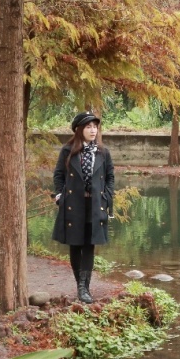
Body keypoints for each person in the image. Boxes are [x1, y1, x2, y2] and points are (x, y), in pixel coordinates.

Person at [52, 111, 115, 304]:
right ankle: (81, 287)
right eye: (88, 127)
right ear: (80, 130)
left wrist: (107, 197)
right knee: (76, 244)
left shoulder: (103, 152)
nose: (93, 130)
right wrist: (60, 196)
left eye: (95, 126)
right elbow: (58, 175)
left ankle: (83, 288)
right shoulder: (68, 150)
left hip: (95, 204)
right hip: (74, 204)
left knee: (89, 245)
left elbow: (110, 177)